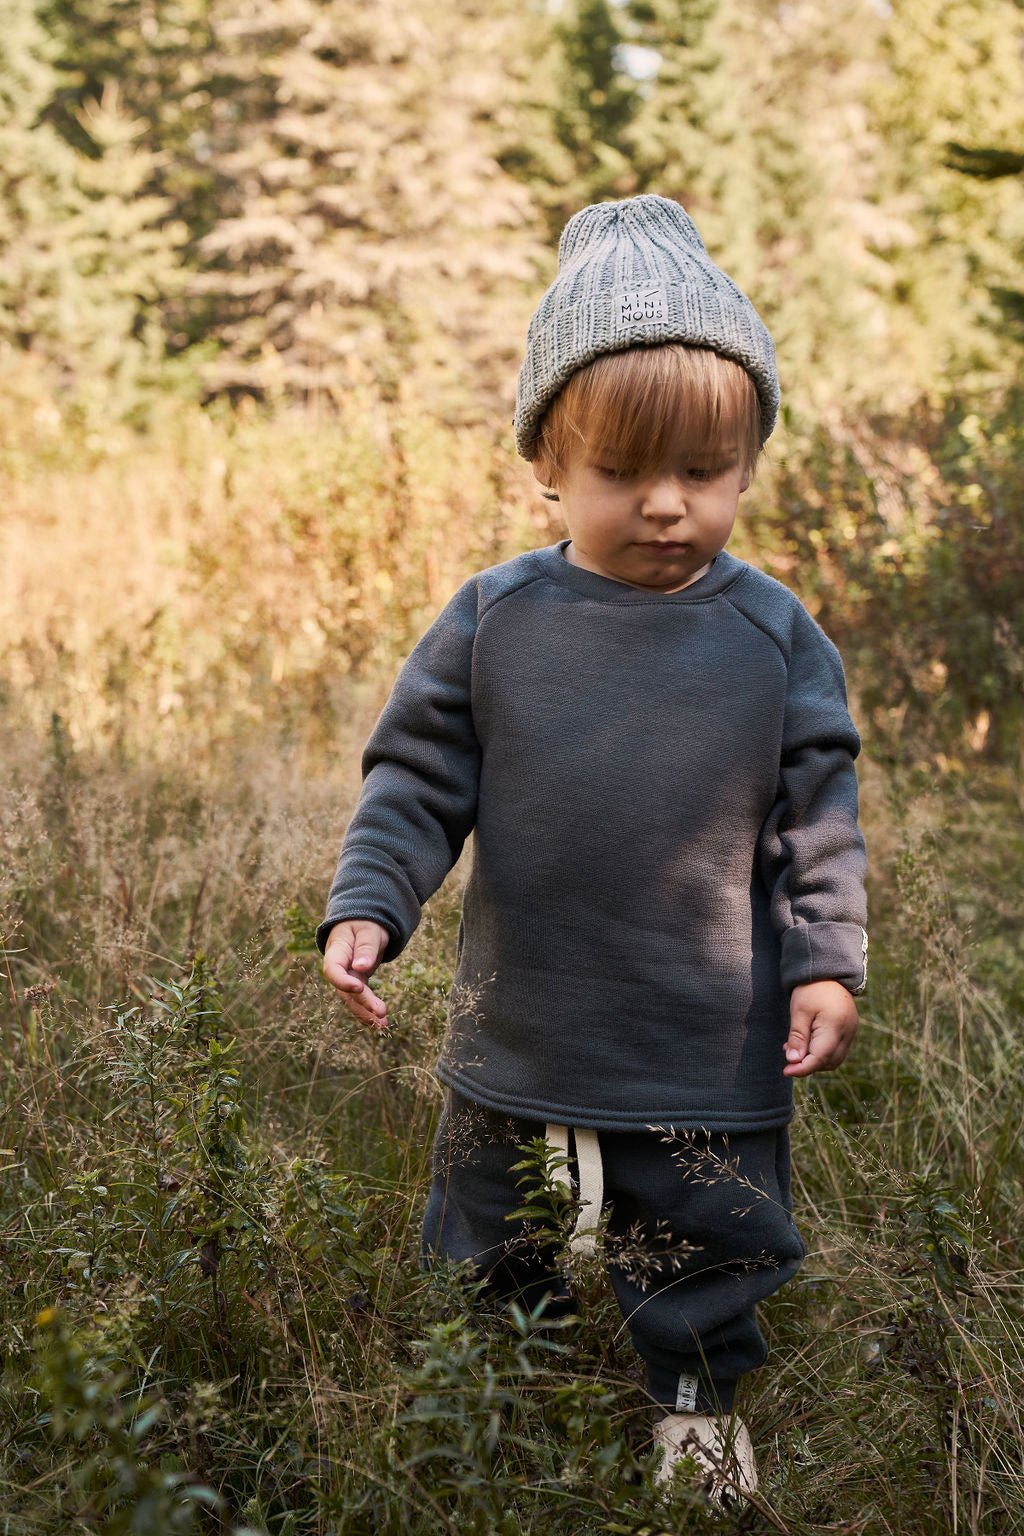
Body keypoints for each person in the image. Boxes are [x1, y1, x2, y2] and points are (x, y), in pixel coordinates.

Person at [316, 193, 868, 1504]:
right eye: (625, 474)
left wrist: (825, 962)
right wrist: (370, 902)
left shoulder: (774, 635)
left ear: (746, 466)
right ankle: (497, 1395)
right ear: (549, 467)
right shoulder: (495, 620)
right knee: (488, 1229)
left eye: (707, 472)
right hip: (526, 1023)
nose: (667, 505)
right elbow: (415, 777)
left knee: (706, 1233)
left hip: (702, 1031)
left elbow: (817, 815)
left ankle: (694, 1411)